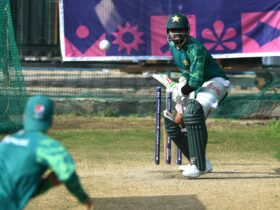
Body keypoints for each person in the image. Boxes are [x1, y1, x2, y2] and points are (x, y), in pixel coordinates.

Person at [163, 13, 231, 178]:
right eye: (173, 31)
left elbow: (195, 81)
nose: (177, 34)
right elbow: (188, 74)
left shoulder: (195, 48)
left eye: (180, 30)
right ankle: (200, 161)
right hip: (197, 84)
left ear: (187, 30)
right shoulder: (173, 47)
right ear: (168, 32)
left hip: (216, 81)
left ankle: (199, 166)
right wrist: (177, 85)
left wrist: (181, 91)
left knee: (194, 111)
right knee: (175, 123)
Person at [0, 95, 93, 209]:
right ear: (51, 121)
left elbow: (16, 189)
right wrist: (83, 198)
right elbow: (68, 174)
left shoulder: (6, 141)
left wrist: (48, 183)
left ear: (24, 117)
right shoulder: (48, 146)